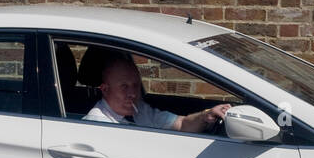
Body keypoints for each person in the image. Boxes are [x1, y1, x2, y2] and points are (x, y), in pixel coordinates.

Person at [83, 57, 231, 133]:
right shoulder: (95, 123)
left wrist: (206, 116)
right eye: (124, 87)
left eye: (135, 85)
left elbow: (182, 124)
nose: (132, 93)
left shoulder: (140, 111)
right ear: (105, 89)